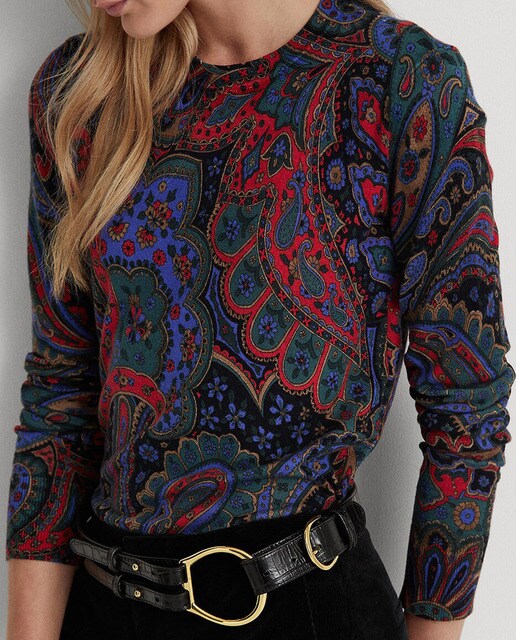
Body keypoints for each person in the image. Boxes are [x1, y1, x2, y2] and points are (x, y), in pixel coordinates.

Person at [5, 0, 514, 638]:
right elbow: (61, 397)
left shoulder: (400, 81)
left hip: (311, 614)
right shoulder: (79, 97)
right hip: (106, 608)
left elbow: (468, 409)